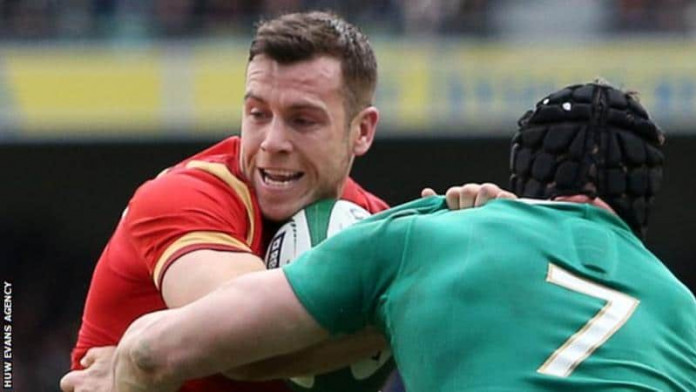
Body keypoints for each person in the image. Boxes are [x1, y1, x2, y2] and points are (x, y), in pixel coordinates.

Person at [107, 82, 695, 392]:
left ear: (522, 172)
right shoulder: (684, 310)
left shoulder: (427, 234)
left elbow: (156, 353)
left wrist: (118, 377)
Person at [60, 10, 513, 392]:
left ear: (362, 131)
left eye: (302, 120)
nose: (272, 141)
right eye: (258, 114)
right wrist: (422, 292)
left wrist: (495, 243)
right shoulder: (184, 198)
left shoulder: (374, 223)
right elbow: (241, 347)